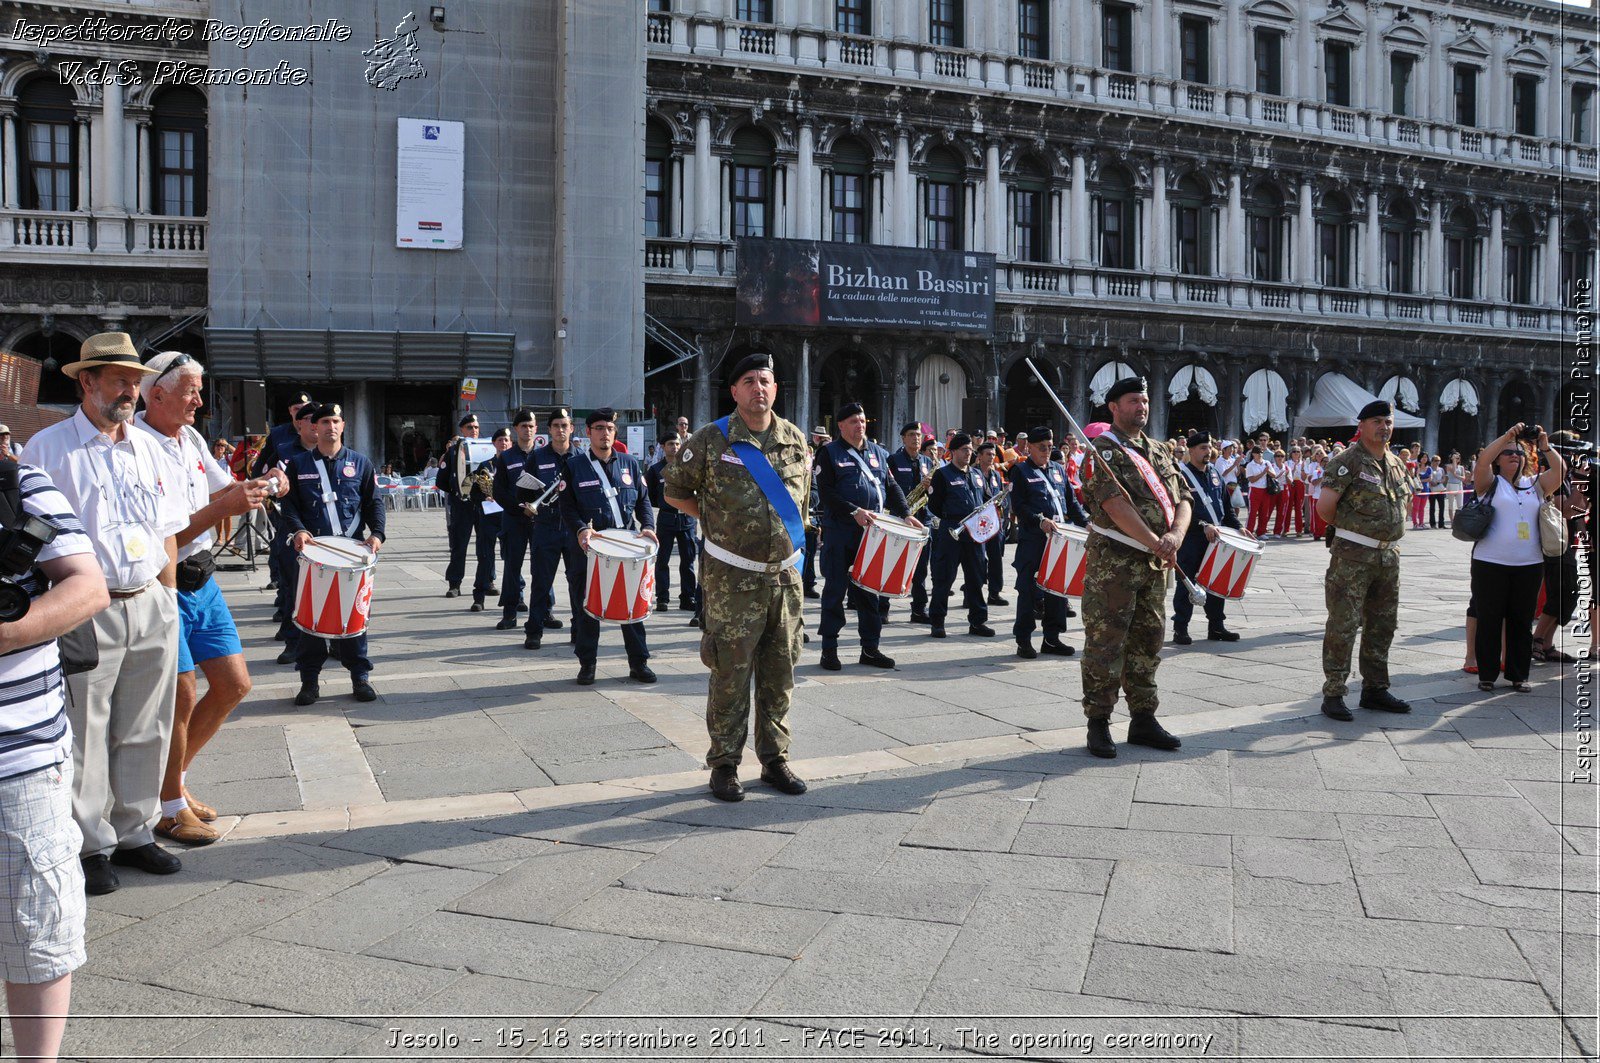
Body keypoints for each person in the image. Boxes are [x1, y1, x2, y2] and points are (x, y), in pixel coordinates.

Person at [24, 332, 190, 893]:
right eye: (118, 378)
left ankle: (136, 830)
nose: (129, 389)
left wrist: (167, 597)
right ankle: (90, 841)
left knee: (148, 723)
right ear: (85, 381)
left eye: (135, 379)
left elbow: (167, 531)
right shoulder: (48, 449)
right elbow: (33, 540)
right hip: (86, 608)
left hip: (149, 600)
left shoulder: (148, 446)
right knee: (86, 728)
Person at [133, 352, 276, 846]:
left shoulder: (190, 437)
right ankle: (169, 805)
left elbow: (222, 489)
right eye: (191, 391)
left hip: (203, 580)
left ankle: (170, 785)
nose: (199, 400)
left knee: (234, 684)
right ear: (158, 394)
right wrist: (227, 504)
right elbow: (167, 531)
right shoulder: (136, 444)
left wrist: (253, 487)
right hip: (164, 582)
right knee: (182, 693)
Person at [665, 352, 811, 802]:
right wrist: (715, 523)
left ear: (775, 388)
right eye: (748, 380)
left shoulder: (794, 439)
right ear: (734, 391)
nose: (758, 388)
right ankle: (725, 764)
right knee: (729, 674)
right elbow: (675, 492)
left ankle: (775, 760)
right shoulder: (711, 440)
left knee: (780, 674)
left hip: (784, 583)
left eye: (765, 380)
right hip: (732, 582)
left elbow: (801, 505)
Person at [0, 454, 106, 1059]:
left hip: (17, 754)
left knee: (35, 925)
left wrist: (9, 632)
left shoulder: (20, 484)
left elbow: (87, 587)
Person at [1078, 378, 1192, 759]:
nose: (1141, 406)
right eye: (1132, 401)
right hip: (1115, 565)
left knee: (1148, 641)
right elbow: (1113, 505)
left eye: (1144, 400)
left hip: (1156, 563)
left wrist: (1175, 535)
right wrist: (1153, 540)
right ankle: (1099, 722)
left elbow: (1184, 497)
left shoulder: (1159, 450)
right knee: (1106, 643)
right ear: (1113, 407)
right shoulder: (1101, 453)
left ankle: (1143, 717)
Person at [277, 404, 386, 707]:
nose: (330, 427)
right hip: (314, 555)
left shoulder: (361, 463)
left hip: (351, 556)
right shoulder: (298, 464)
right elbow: (289, 506)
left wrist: (377, 533)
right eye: (324, 421)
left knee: (353, 619)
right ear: (314, 426)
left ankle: (359, 677)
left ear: (343, 425)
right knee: (311, 622)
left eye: (335, 421)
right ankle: (309, 682)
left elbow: (374, 502)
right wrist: (298, 530)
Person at [1315, 400, 1414, 721]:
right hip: (1352, 556)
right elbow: (1325, 507)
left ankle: (1375, 688)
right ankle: (1333, 692)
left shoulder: (1396, 463)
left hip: (1388, 555)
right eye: (1376, 421)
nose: (1383, 427)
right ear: (1362, 426)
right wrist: (1351, 531)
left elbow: (1405, 502)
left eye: (1388, 421)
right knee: (1343, 624)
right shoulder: (1348, 462)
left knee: (1383, 623)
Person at [814, 402, 917, 670]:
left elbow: (891, 485)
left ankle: (870, 648)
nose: (859, 425)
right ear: (840, 425)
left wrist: (905, 513)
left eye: (862, 421)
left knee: (870, 590)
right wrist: (853, 511)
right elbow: (826, 492)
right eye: (853, 422)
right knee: (835, 590)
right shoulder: (829, 453)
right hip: (841, 531)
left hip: (872, 534)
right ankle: (829, 649)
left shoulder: (879, 453)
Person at [561, 408, 657, 686]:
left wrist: (648, 526)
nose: (605, 433)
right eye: (599, 428)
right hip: (588, 549)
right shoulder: (574, 466)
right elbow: (566, 506)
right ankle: (587, 664)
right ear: (588, 432)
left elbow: (643, 501)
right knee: (587, 608)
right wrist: (581, 528)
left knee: (633, 608)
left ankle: (639, 663)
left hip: (625, 549)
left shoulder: (630, 463)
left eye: (610, 428)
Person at [1468, 425, 1565, 692]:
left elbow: (1560, 471)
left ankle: (1518, 675)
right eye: (1508, 453)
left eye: (1518, 453)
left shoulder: (1534, 484)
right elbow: (1483, 461)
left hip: (1529, 565)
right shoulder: (1490, 483)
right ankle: (1487, 674)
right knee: (1489, 618)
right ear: (1499, 458)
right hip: (1490, 562)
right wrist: (1507, 437)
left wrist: (1545, 446)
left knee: (1522, 621)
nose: (1514, 456)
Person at [1008, 426, 1086, 659]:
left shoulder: (1058, 469)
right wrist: (1038, 520)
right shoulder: (1020, 471)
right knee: (1028, 591)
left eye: (1050, 447)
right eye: (1042, 447)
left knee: (1057, 591)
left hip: (1059, 540)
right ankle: (1024, 640)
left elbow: (1071, 503)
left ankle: (1052, 638)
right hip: (1034, 541)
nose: (1046, 451)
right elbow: (1019, 506)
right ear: (1029, 447)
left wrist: (1085, 523)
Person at [1172, 431, 1245, 645]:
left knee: (1217, 582)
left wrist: (1239, 528)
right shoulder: (1181, 475)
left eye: (1209, 447)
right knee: (1187, 583)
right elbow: (1176, 509)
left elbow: (1226, 507)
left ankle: (1216, 626)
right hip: (1191, 539)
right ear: (1191, 450)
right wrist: (1202, 525)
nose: (1208, 451)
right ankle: (1181, 628)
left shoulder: (1215, 474)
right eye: (1203, 447)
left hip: (1216, 539)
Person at [925, 433, 994, 640]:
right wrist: (951, 518)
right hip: (951, 530)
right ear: (953, 451)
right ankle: (937, 622)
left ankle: (978, 621)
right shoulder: (943, 474)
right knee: (944, 578)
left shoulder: (977, 474)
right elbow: (934, 504)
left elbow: (986, 498)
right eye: (964, 449)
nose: (969, 453)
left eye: (971, 450)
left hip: (974, 532)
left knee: (976, 577)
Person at [269, 403, 320, 663]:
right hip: (291, 529)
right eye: (309, 419)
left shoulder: (337, 454)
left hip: (324, 532)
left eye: (319, 419)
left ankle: (330, 640)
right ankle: (292, 641)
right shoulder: (284, 451)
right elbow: (262, 477)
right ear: (299, 423)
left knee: (324, 589)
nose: (315, 424)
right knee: (292, 588)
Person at [1532, 433, 1588, 664]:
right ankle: (1537, 640)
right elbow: (1566, 510)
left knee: (1566, 593)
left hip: (1565, 541)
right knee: (1562, 592)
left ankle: (1547, 643)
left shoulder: (1566, 478)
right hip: (1552, 543)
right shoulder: (1549, 477)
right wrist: (1580, 480)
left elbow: (1579, 509)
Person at [437, 414, 500, 609]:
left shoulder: (489, 449)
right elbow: (442, 480)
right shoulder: (453, 451)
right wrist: (458, 493)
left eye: (476, 427)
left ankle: (488, 580)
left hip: (484, 505)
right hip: (462, 505)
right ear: (462, 430)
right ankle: (454, 583)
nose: (474, 430)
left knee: (487, 545)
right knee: (459, 545)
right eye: (470, 427)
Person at [492, 410, 542, 637]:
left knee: (543, 567)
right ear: (516, 429)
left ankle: (545, 611)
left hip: (541, 520)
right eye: (523, 426)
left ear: (536, 428)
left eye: (531, 426)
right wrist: (518, 508)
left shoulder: (544, 456)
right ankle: (510, 612)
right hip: (514, 519)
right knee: (513, 566)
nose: (527, 429)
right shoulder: (507, 457)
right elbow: (499, 491)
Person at [887, 423, 934, 623]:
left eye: (918, 435)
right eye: (911, 435)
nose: (916, 438)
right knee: (893, 565)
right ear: (903, 438)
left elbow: (935, 493)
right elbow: (888, 488)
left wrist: (931, 487)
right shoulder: (894, 460)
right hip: (900, 517)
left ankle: (919, 609)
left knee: (921, 567)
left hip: (922, 518)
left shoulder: (927, 461)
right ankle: (883, 609)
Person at [648, 434, 699, 613]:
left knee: (688, 560)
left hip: (687, 519)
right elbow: (652, 498)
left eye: (678, 443)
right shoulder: (655, 470)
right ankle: (662, 598)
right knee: (662, 560)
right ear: (662, 446)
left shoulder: (688, 467)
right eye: (671, 444)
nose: (675, 447)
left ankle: (688, 597)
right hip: (666, 519)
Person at [976, 442, 1009, 606]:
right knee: (979, 559)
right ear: (980, 456)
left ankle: (994, 592)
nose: (991, 457)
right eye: (987, 454)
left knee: (996, 557)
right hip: (979, 523)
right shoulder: (973, 473)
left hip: (995, 522)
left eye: (992, 454)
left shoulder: (996, 475)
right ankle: (972, 592)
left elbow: (1000, 496)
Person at [1244, 444, 1273, 537]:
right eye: (1257, 452)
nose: (1259, 454)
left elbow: (1274, 475)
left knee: (1264, 513)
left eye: (1261, 452)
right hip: (1254, 490)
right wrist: (1263, 472)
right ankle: (1249, 532)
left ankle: (1261, 532)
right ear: (1253, 454)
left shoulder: (1267, 462)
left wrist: (1268, 471)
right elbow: (1251, 479)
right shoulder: (1250, 465)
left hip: (1265, 490)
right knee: (1252, 512)